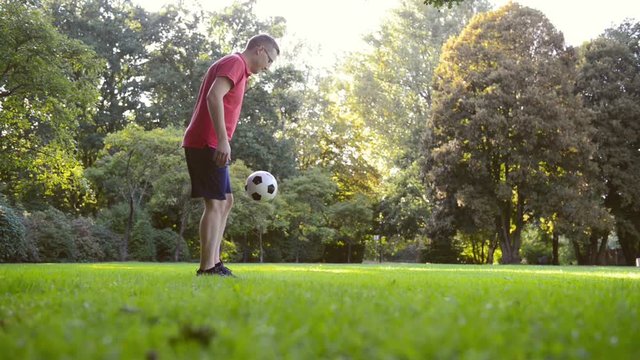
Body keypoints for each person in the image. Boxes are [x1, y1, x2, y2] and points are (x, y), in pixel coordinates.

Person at [183, 34, 280, 276]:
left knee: (226, 202)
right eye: (269, 60)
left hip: (213, 143)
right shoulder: (235, 63)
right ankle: (206, 268)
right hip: (207, 143)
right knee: (215, 203)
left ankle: (215, 263)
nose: (268, 67)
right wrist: (223, 141)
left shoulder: (238, 69)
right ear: (259, 50)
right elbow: (213, 97)